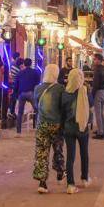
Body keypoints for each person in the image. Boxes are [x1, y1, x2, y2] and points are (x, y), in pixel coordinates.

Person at [32, 64, 65, 193]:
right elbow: (63, 107)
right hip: (56, 124)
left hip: (42, 124)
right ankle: (60, 172)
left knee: (41, 152)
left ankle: (42, 183)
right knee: (58, 149)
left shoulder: (38, 88)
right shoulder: (60, 89)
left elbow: (36, 105)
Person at [60, 68, 91, 194]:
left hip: (68, 128)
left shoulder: (65, 93)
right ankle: (85, 178)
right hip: (82, 128)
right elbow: (91, 106)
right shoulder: (85, 91)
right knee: (84, 153)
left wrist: (62, 127)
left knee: (70, 157)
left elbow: (62, 113)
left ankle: (70, 184)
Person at [14, 57, 41, 134]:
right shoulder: (35, 72)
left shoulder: (20, 73)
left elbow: (16, 85)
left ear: (24, 64)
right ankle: (38, 129)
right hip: (31, 93)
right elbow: (38, 83)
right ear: (31, 64)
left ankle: (18, 131)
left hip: (22, 93)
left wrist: (16, 95)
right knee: (37, 110)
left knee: (20, 113)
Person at [90, 53, 104, 139]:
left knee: (98, 113)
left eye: (94, 59)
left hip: (98, 92)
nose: (93, 61)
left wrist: (92, 94)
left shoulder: (97, 69)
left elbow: (96, 84)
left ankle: (100, 133)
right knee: (101, 113)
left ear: (98, 60)